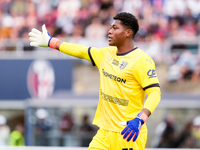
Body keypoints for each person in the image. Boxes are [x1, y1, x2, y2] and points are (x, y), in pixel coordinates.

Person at [29, 12, 161, 150]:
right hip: (104, 133)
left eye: (115, 28)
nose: (109, 31)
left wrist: (141, 118)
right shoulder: (105, 54)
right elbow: (80, 51)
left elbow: (155, 93)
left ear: (128, 33)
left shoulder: (142, 60)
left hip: (128, 133)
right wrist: (51, 42)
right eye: (110, 27)